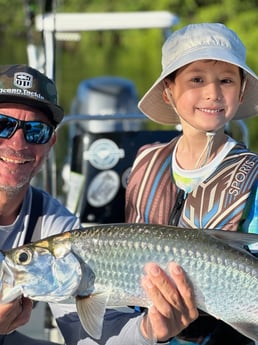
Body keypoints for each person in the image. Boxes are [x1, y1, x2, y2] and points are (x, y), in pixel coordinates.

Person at [0, 64, 197, 345]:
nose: (17, 143)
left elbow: (90, 335)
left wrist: (150, 330)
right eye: (3, 125)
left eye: (35, 131)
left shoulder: (55, 226)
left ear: (51, 143)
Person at [125, 23, 258, 345]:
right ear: (168, 92)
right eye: (196, 79)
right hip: (147, 334)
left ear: (241, 92)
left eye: (226, 80)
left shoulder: (252, 176)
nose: (212, 93)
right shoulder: (144, 163)